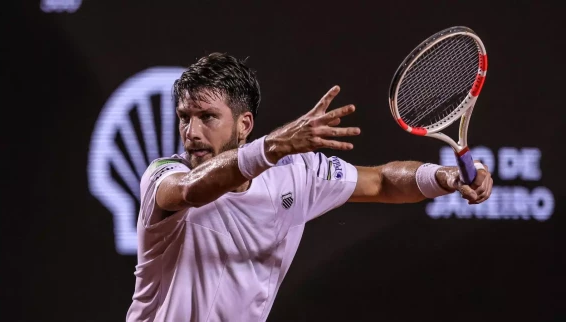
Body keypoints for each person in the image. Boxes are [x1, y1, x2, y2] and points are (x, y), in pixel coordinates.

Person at [126, 53, 493, 322]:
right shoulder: (163, 175)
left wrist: (445, 177)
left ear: (244, 124)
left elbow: (382, 180)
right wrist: (272, 146)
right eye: (184, 118)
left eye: (207, 117)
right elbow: (192, 189)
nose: (191, 133)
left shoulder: (298, 176)